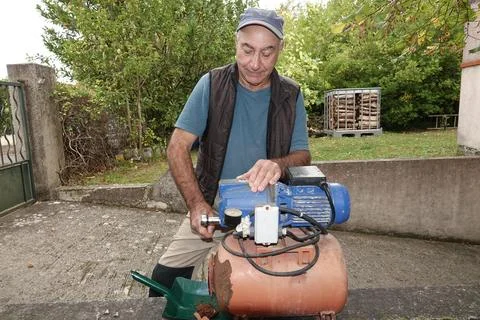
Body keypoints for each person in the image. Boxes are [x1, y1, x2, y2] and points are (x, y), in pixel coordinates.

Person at [149, 7, 311, 296]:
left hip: (271, 212)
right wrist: (197, 204)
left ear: (280, 50)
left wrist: (278, 164)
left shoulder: (292, 94)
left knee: (284, 292)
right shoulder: (211, 84)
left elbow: (303, 156)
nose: (255, 63)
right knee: (163, 282)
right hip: (213, 208)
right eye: (247, 50)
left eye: (267, 52)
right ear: (236, 44)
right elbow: (176, 147)